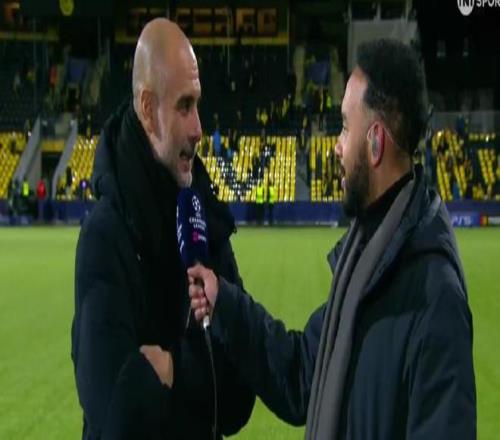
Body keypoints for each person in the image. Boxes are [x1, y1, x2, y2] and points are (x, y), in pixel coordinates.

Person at [188, 39, 476, 439]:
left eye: (343, 125)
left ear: (375, 142)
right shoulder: (367, 262)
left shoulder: (434, 298)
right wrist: (226, 303)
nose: (336, 147)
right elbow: (300, 374)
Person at [71, 18, 254, 440]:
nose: (199, 129)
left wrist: (171, 370)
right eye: (184, 106)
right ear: (148, 109)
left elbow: (241, 394)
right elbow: (116, 416)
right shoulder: (105, 236)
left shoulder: (204, 217)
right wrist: (204, 381)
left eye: (198, 105)